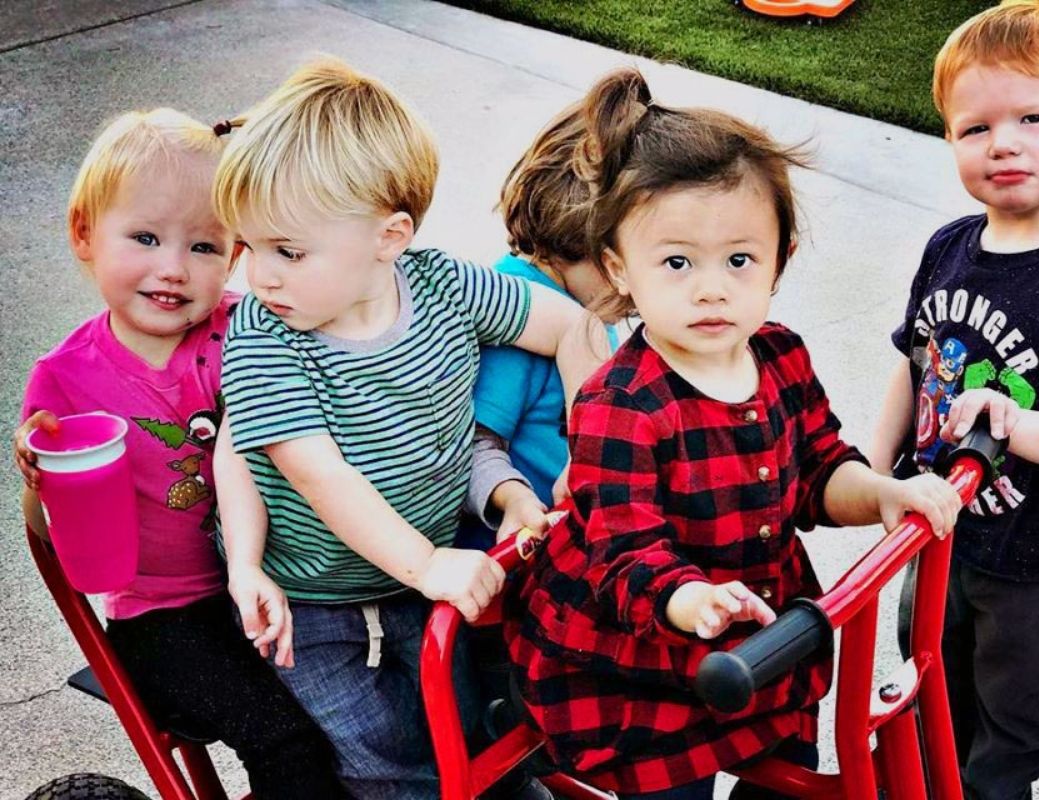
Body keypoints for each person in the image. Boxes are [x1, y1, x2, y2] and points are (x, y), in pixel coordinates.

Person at [505, 67, 964, 800]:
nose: (711, 287)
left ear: (779, 259)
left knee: (790, 766)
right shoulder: (619, 403)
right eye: (677, 262)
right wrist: (685, 598)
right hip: (641, 660)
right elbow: (623, 549)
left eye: (739, 259)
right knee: (669, 787)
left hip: (758, 636)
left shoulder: (779, 354)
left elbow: (818, 469)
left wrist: (881, 492)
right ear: (622, 268)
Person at [211, 59, 609, 799]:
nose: (257, 278)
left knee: (472, 735)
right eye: (248, 247)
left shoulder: (443, 286)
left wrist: (587, 459)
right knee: (384, 758)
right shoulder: (265, 336)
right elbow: (318, 474)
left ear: (389, 237)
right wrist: (427, 565)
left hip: (421, 577)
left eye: (287, 252)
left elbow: (576, 325)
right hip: (313, 599)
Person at [13, 109, 344, 799]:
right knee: (287, 740)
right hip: (166, 616)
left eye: (203, 246)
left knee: (376, 709)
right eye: (144, 237)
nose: (173, 268)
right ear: (84, 233)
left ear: (235, 253)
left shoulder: (246, 330)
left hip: (278, 581)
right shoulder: (65, 381)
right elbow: (51, 540)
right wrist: (39, 482)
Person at [867, 3, 1039, 799]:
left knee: (1010, 728)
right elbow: (914, 362)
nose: (1005, 142)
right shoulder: (950, 246)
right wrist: (873, 469)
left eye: (1033, 116)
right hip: (942, 531)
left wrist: (1013, 421)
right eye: (975, 127)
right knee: (929, 681)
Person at [460, 96, 619, 549]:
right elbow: (471, 449)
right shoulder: (516, 317)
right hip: (521, 559)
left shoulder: (589, 295)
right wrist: (514, 499)